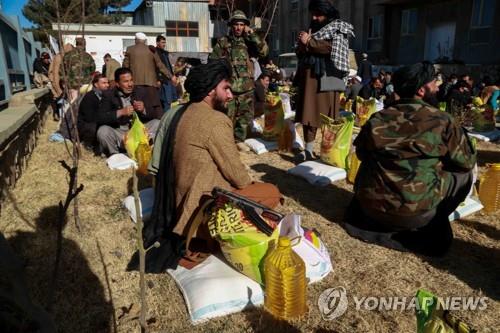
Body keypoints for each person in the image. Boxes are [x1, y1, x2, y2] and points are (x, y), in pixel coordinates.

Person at [140, 59, 282, 272]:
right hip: (202, 208)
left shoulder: (182, 111)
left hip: (178, 201)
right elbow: (238, 176)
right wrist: (251, 183)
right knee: (271, 193)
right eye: (225, 88)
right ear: (209, 91)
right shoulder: (215, 120)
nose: (230, 95)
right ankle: (209, 235)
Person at [344, 62, 477, 257]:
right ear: (422, 90)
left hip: (370, 210)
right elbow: (465, 162)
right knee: (465, 174)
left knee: (369, 163)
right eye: (435, 82)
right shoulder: (443, 121)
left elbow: (361, 154)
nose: (438, 87)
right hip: (417, 217)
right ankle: (433, 218)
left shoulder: (378, 118)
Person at [294, 0, 354, 161]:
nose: (314, 17)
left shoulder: (338, 27)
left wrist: (309, 41)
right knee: (309, 115)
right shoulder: (313, 28)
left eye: (318, 14)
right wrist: (302, 44)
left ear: (327, 14)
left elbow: (331, 48)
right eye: (313, 14)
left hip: (328, 78)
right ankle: (308, 150)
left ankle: (329, 152)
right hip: (310, 78)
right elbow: (303, 51)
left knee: (328, 117)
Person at [209, 10, 269, 149]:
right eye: (236, 24)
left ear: (245, 26)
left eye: (241, 25)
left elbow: (264, 51)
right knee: (226, 116)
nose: (238, 28)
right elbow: (212, 61)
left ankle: (239, 141)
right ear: (231, 26)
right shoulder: (223, 42)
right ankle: (225, 141)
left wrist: (252, 33)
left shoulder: (250, 42)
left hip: (246, 88)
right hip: (228, 88)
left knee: (244, 117)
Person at [96, 68, 161, 156]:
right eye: (126, 81)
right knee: (103, 131)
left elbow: (154, 113)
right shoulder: (109, 95)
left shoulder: (140, 91)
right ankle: (116, 155)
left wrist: (143, 109)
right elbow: (100, 118)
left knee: (157, 123)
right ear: (118, 84)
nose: (130, 84)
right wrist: (120, 112)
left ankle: (147, 150)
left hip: (139, 132)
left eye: (131, 80)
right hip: (120, 133)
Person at [122, 32, 175, 116]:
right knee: (154, 108)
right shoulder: (151, 49)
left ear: (135, 40)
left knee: (137, 109)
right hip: (151, 85)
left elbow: (125, 67)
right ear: (145, 41)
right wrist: (171, 76)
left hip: (136, 85)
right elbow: (160, 65)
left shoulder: (130, 49)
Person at [77, 74, 110, 149]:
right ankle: (88, 143)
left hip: (100, 121)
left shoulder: (106, 95)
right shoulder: (89, 97)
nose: (107, 85)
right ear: (96, 84)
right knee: (92, 126)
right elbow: (89, 117)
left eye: (107, 83)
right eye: (104, 83)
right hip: (87, 125)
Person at [61, 37, 96, 103]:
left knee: (73, 104)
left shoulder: (67, 55)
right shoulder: (88, 56)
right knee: (86, 103)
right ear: (84, 44)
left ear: (76, 44)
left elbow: (62, 70)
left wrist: (64, 81)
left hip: (72, 84)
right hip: (85, 84)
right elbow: (93, 69)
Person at [155, 35, 178, 112]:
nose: (164, 44)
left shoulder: (164, 53)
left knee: (173, 99)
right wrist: (158, 79)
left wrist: (173, 76)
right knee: (166, 101)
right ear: (157, 42)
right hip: (163, 80)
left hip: (169, 79)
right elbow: (157, 67)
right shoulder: (156, 53)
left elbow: (168, 66)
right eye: (162, 42)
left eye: (165, 42)